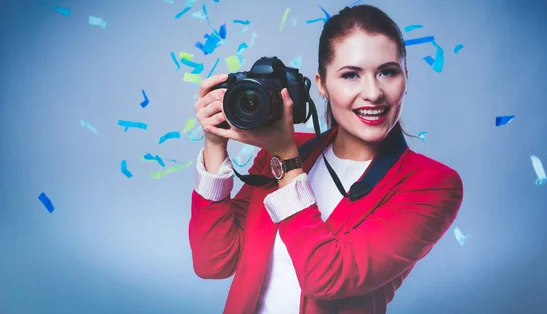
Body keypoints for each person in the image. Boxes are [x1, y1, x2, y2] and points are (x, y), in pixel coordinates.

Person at [189, 4, 463, 314]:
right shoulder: (289, 152)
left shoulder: (433, 184)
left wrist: (285, 158)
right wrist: (214, 143)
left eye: (387, 72)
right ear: (321, 84)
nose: (373, 93)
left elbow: (326, 277)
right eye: (351, 75)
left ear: (405, 77)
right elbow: (214, 261)